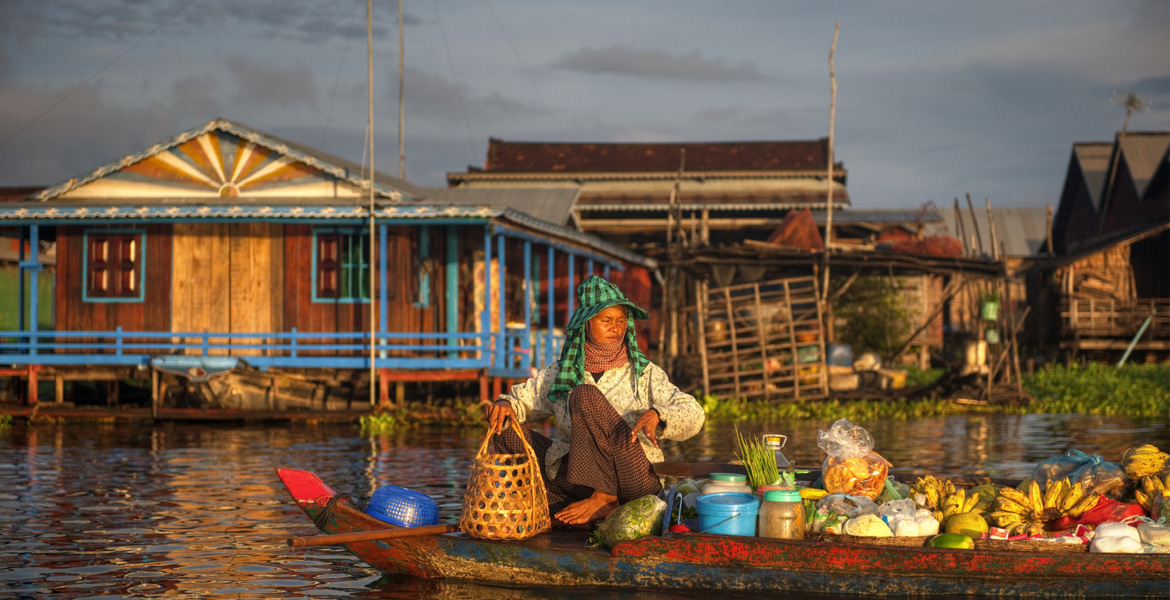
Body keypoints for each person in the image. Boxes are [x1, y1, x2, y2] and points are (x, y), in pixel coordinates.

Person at [487, 275, 705, 526]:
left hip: (633, 478)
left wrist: (659, 414)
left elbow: (694, 413)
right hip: (583, 480)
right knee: (504, 429)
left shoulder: (645, 373)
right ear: (587, 324)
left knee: (584, 395)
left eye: (622, 320)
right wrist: (505, 404)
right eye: (607, 320)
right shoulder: (560, 372)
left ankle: (605, 500)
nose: (617, 327)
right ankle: (569, 507)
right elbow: (522, 401)